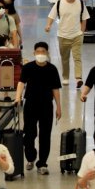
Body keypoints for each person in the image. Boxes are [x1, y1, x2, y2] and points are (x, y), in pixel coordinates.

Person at [14, 42, 61, 175]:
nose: (41, 54)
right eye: (38, 51)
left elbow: (55, 89)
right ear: (34, 53)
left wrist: (59, 107)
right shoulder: (28, 67)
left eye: (43, 51)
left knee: (45, 135)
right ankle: (30, 157)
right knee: (29, 134)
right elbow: (21, 83)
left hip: (46, 106)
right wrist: (18, 97)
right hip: (31, 105)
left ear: (47, 53)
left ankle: (42, 163)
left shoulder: (52, 69)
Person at [45, 0, 89, 88]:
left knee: (77, 57)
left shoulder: (81, 3)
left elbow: (84, 18)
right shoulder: (59, 3)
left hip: (77, 35)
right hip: (63, 35)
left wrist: (82, 32)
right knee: (65, 58)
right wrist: (48, 25)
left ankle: (78, 78)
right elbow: (51, 16)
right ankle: (65, 77)